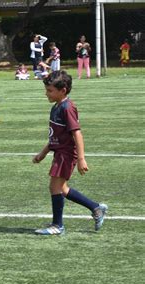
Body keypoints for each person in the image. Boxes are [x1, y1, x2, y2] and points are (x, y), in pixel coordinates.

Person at [32, 70, 108, 235]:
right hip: (59, 153)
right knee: (62, 188)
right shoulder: (56, 107)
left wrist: (81, 158)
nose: (46, 94)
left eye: (50, 90)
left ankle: (57, 225)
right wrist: (43, 153)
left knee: (55, 187)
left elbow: (77, 133)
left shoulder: (67, 108)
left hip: (66, 155)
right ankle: (96, 208)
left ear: (63, 90)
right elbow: (55, 136)